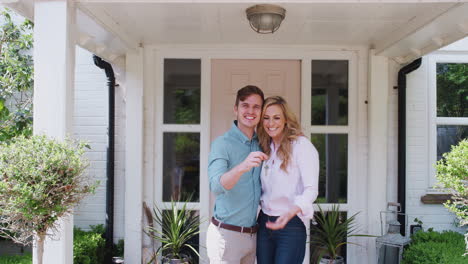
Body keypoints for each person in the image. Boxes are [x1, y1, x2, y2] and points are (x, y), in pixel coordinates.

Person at [207, 85, 268, 264]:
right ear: (236, 109)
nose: (250, 111)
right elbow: (216, 186)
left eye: (256, 107)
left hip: (252, 236)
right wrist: (243, 166)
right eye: (245, 105)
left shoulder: (262, 143)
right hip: (226, 236)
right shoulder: (222, 144)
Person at [256, 96, 319, 264]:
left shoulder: (301, 146)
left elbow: (311, 189)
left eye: (276, 118)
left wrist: (290, 212)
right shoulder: (265, 147)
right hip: (264, 224)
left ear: (286, 120)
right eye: (266, 118)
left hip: (290, 226)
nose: (271, 123)